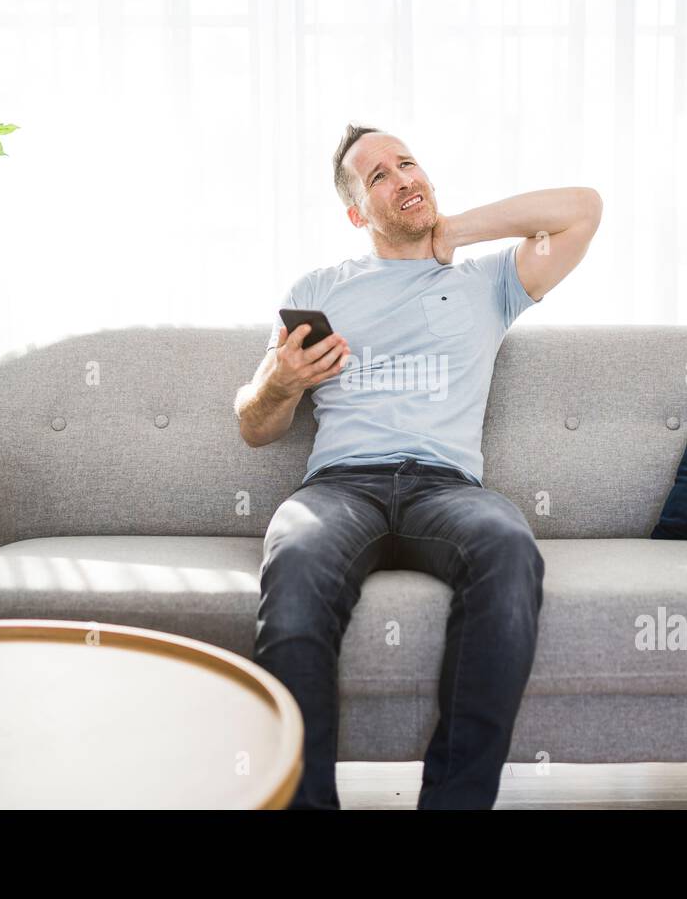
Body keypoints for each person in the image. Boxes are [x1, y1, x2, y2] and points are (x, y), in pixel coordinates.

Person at [233, 124, 602, 809]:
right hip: (342, 488)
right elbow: (255, 425)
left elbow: (585, 207)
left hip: (447, 491)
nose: (402, 178)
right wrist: (282, 383)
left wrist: (456, 230)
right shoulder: (319, 287)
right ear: (355, 212)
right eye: (377, 176)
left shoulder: (487, 283)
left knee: (509, 548)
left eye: (408, 164)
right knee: (295, 565)